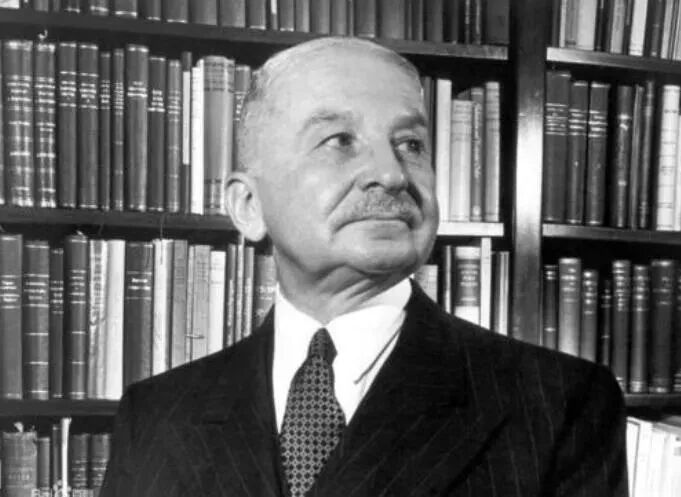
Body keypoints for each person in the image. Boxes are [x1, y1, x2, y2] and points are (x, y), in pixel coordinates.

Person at [99, 37, 628, 497]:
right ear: (249, 206)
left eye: (411, 145)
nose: (391, 175)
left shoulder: (558, 404)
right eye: (340, 141)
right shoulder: (155, 415)